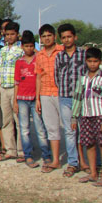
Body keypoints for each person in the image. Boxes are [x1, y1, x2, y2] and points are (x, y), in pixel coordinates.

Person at [71, 47, 102, 187]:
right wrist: (74, 117)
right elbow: (77, 98)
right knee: (89, 144)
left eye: (95, 61)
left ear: (100, 61)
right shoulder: (82, 79)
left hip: (100, 116)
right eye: (90, 61)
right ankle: (93, 173)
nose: (92, 64)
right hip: (86, 116)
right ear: (86, 61)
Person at [13, 31, 51, 168]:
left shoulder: (38, 60)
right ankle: (28, 155)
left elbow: (40, 78)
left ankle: (46, 155)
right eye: (26, 46)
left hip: (35, 98)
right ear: (22, 47)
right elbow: (16, 82)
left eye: (31, 46)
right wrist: (15, 101)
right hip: (22, 98)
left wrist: (39, 98)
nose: (29, 49)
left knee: (40, 128)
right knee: (24, 129)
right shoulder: (19, 62)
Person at [54, 23, 87, 177]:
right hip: (65, 97)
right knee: (69, 131)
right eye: (64, 38)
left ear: (75, 37)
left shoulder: (83, 54)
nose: (67, 40)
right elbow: (57, 76)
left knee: (84, 130)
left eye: (69, 37)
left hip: (82, 98)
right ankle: (73, 162)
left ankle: (88, 162)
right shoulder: (59, 56)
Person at [36, 24, 63, 173]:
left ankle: (76, 160)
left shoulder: (62, 51)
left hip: (62, 93)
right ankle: (56, 160)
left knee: (70, 128)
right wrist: (38, 98)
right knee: (52, 128)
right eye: (43, 36)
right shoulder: (39, 55)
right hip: (45, 94)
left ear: (55, 36)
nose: (46, 39)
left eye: (49, 35)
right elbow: (38, 77)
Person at [0, 22, 23, 161]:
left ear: (17, 34)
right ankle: (10, 149)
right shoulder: (3, 50)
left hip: (15, 87)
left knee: (19, 120)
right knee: (6, 121)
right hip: (4, 87)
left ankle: (22, 150)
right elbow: (0, 70)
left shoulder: (21, 50)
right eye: (7, 34)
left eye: (12, 34)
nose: (10, 37)